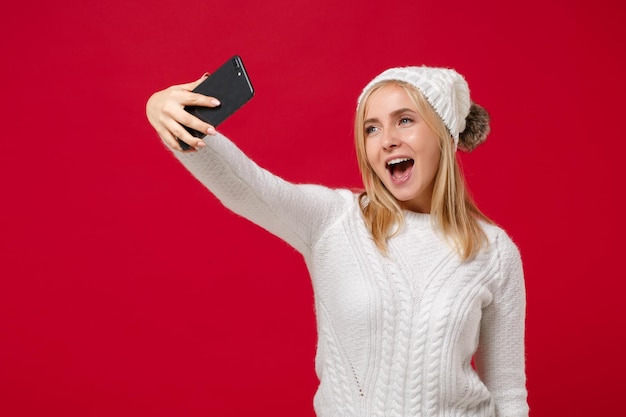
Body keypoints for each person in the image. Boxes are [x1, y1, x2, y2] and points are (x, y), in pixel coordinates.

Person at [146, 65, 529, 417]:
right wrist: (164, 112)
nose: (388, 140)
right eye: (372, 128)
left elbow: (508, 393)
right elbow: (247, 187)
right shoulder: (334, 219)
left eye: (405, 121)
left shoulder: (494, 253)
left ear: (445, 132)